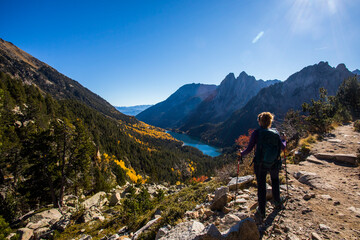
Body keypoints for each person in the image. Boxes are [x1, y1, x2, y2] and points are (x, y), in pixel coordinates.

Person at [239, 112, 286, 220]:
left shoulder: (257, 133)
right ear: (270, 121)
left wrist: (241, 153)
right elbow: (282, 147)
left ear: (260, 121)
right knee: (275, 180)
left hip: (260, 163)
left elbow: (249, 149)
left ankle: (262, 211)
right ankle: (277, 202)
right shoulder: (275, 132)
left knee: (261, 185)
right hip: (274, 162)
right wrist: (284, 139)